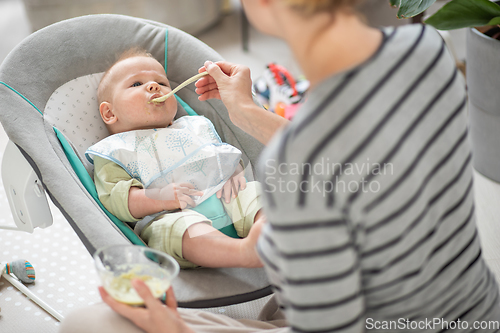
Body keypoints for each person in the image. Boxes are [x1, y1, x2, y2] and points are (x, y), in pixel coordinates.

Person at [60, 0, 500, 332]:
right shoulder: (424, 48)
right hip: (477, 312)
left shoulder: (289, 174)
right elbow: (346, 159)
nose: (155, 87)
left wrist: (174, 330)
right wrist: (246, 111)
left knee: (86, 323)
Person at [85, 49, 264, 270]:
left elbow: (219, 153)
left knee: (254, 192)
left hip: (225, 200)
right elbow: (116, 199)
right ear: (110, 113)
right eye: (136, 84)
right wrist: (160, 198)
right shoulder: (115, 150)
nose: (153, 86)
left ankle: (273, 237)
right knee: (178, 228)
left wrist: (234, 172)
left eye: (161, 82)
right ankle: (243, 253)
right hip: (172, 217)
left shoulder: (192, 126)